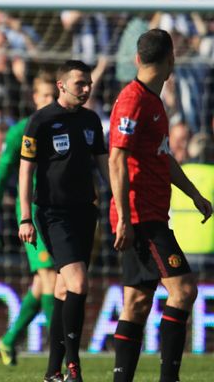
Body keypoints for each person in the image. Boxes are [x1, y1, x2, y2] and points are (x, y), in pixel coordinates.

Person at [109, 29, 212, 382]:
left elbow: (162, 157)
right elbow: (116, 159)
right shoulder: (133, 100)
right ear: (171, 60)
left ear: (138, 58)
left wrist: (194, 195)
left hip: (151, 213)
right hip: (140, 217)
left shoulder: (153, 102)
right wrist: (124, 217)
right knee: (183, 291)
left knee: (137, 304)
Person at [18, 60, 109, 382]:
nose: (86, 89)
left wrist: (115, 201)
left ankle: (51, 371)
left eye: (88, 84)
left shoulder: (90, 120)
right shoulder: (41, 121)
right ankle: (74, 366)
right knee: (79, 283)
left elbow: (103, 163)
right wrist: (25, 216)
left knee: (62, 289)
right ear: (62, 86)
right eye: (80, 84)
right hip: (53, 214)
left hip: (85, 212)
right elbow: (25, 170)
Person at [0, 74, 58, 366]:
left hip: (61, 213)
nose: (49, 101)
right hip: (33, 215)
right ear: (34, 98)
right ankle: (59, 353)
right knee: (52, 277)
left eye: (53, 95)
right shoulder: (20, 133)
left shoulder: (65, 129)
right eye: (44, 96)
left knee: (42, 281)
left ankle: (8, 342)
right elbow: (1, 177)